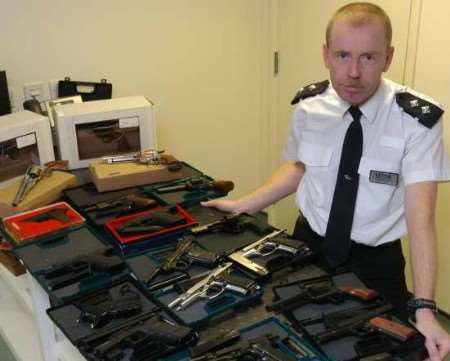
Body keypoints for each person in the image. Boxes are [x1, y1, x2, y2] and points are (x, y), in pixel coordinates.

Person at [202, 2, 450, 360]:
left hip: (375, 264)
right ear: (326, 55)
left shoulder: (415, 119)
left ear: (388, 57)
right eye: (342, 55)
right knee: (294, 343)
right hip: (309, 249)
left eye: (368, 57)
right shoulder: (309, 105)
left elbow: (421, 217)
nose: (352, 72)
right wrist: (244, 204)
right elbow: (300, 167)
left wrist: (424, 306)